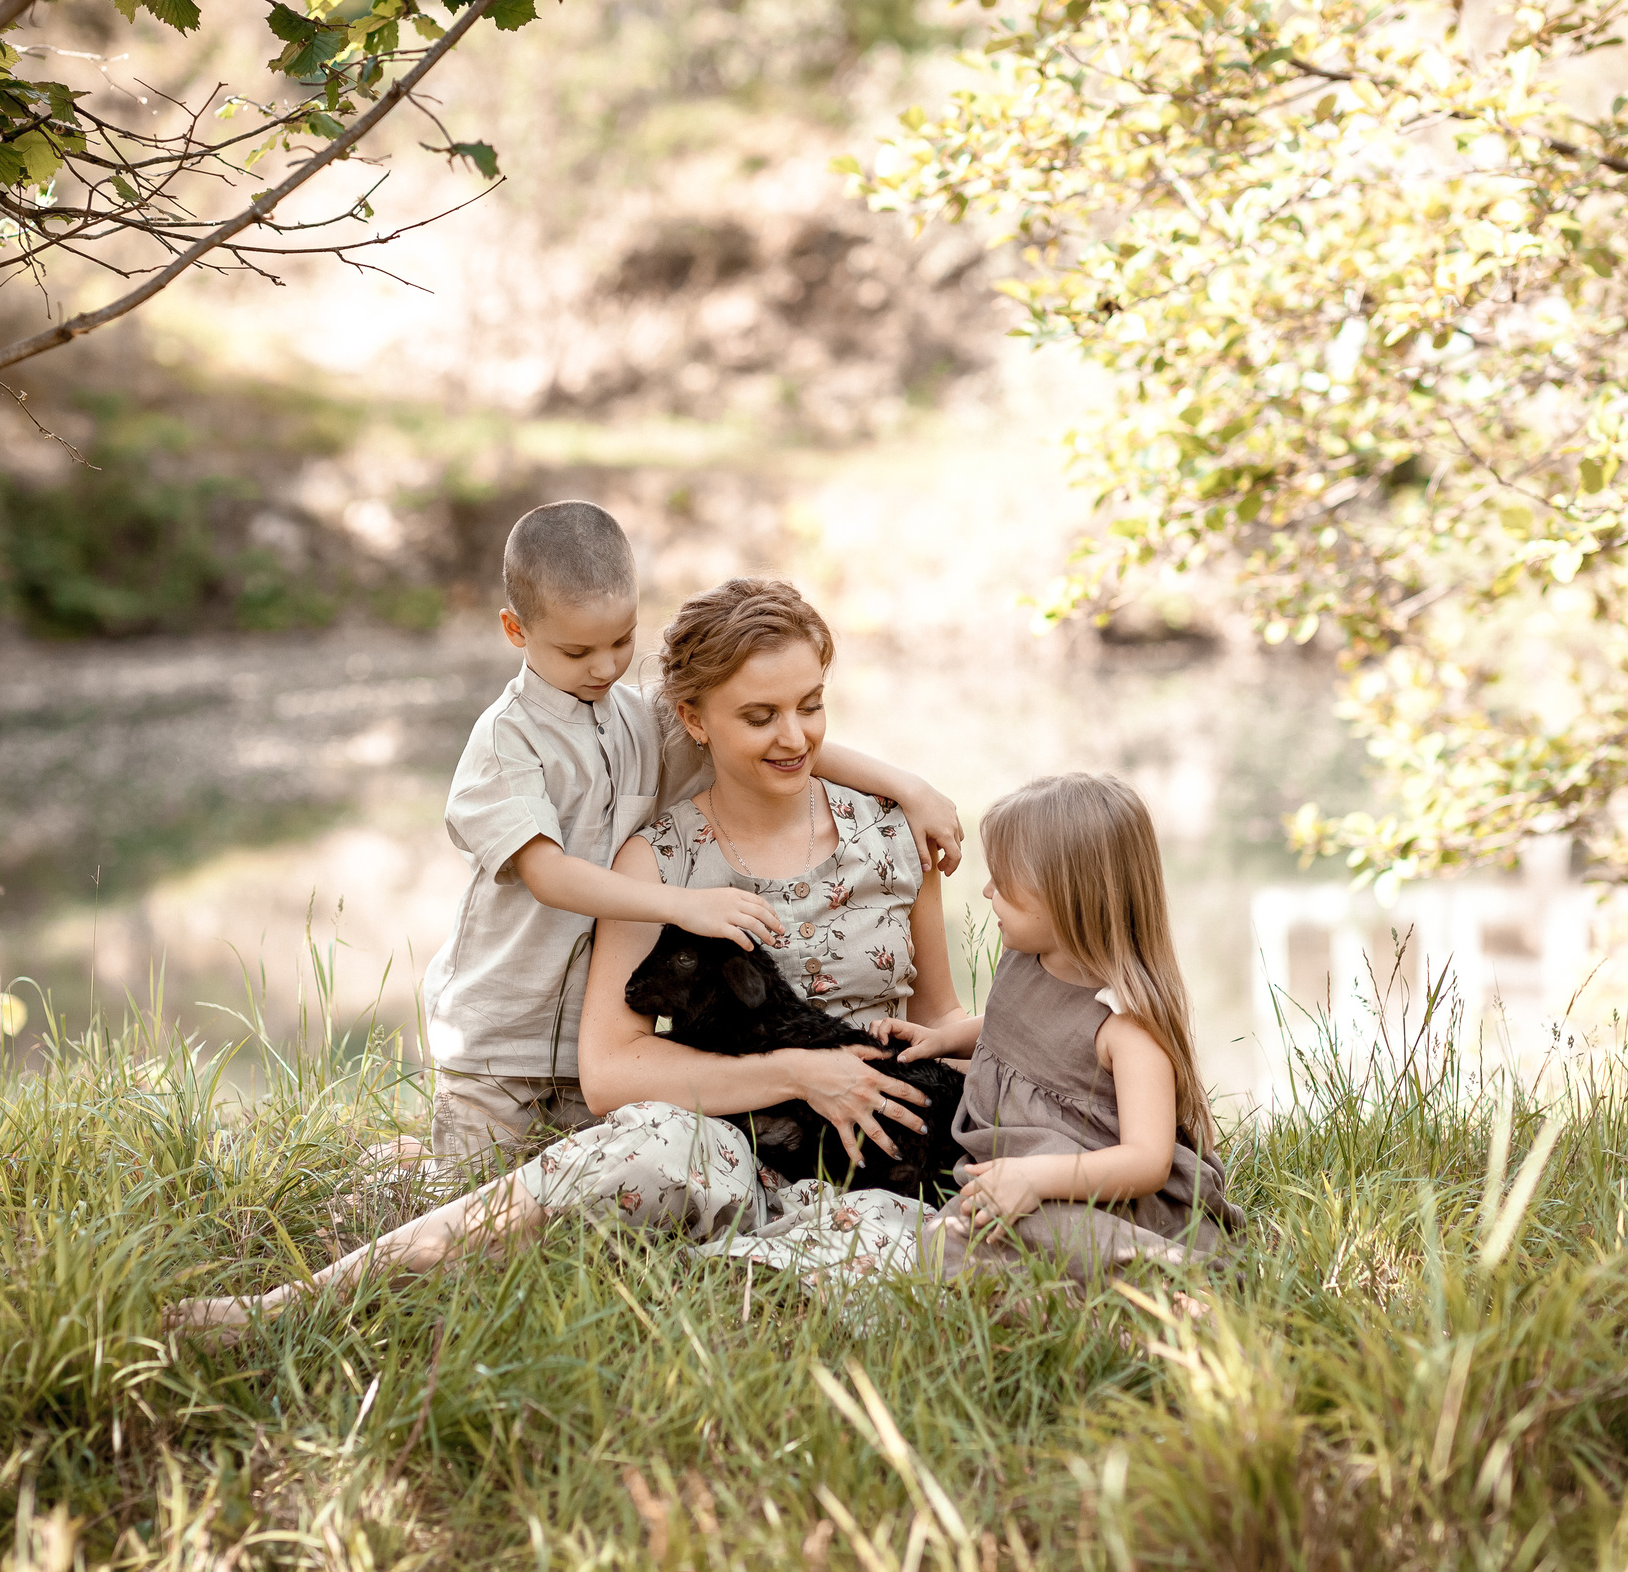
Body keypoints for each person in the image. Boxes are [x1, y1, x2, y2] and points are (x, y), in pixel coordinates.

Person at [169, 579, 965, 1337]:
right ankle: (285, 1306)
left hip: (883, 1164)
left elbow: (939, 1019)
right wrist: (797, 1074)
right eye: (759, 716)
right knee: (653, 1150)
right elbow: (613, 1073)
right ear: (692, 720)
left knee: (918, 1252)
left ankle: (712, 1269)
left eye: (812, 705)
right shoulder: (656, 862)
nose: (796, 737)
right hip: (729, 1143)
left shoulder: (894, 836)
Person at [421, 504, 963, 1162]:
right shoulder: (508, 741)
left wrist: (909, 786)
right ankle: (402, 1184)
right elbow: (548, 873)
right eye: (577, 650)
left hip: (580, 1039)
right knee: (465, 1185)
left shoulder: (636, 717)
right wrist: (681, 903)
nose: (604, 666)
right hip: (501, 1032)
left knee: (568, 1194)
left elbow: (776, 741)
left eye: (621, 641)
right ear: (515, 629)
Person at [881, 773, 1245, 1277]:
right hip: (1026, 1182)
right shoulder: (1025, 960)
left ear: (1069, 895)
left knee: (995, 1237)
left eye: (1003, 883)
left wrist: (1037, 1179)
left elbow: (1147, 1161)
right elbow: (1014, 1028)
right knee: (947, 1244)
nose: (987, 892)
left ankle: (1177, 1273)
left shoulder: (1127, 1028)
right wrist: (946, 1039)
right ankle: (1088, 1298)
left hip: (1107, 1200)